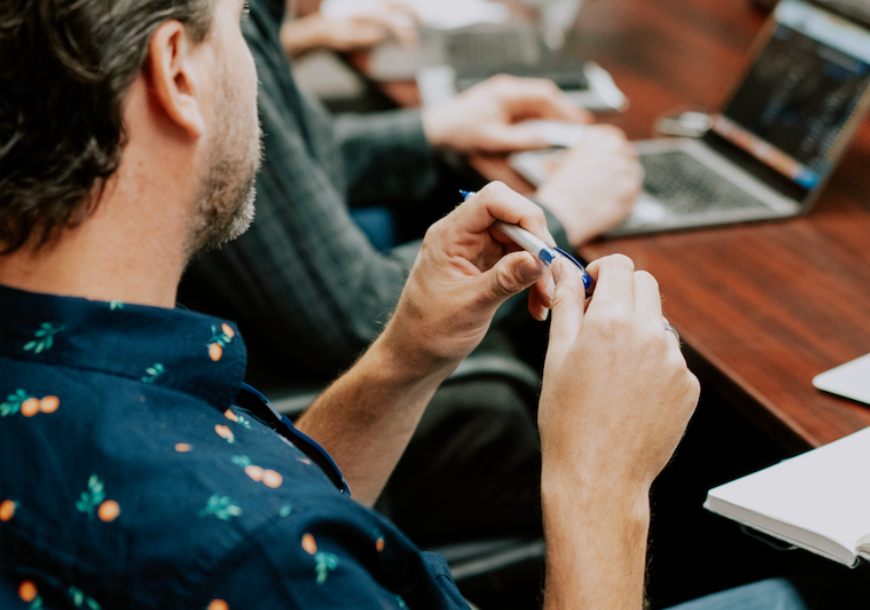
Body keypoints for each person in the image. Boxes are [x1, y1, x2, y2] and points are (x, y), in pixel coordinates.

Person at [0, 0, 816, 608]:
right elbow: (261, 526)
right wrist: (600, 487)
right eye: (242, 27)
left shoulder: (84, 376)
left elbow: (254, 482)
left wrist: (402, 359)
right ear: (177, 72)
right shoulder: (265, 559)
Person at [175, 0, 642, 545]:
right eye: (242, 22)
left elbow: (280, 163)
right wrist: (555, 218)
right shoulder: (203, 24)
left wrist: (432, 131)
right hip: (282, 393)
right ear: (174, 68)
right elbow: (349, 316)